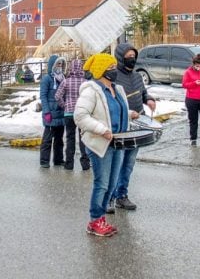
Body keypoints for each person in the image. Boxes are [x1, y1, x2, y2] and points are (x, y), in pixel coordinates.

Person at [74, 53, 129, 237]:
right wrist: (101, 129)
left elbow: (118, 110)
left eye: (114, 67)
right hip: (100, 143)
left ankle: (102, 218)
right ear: (101, 71)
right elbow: (80, 117)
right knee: (102, 183)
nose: (114, 70)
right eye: (110, 68)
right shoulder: (91, 91)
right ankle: (95, 220)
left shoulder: (117, 89)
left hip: (118, 143)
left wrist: (131, 115)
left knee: (112, 184)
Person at [108, 43, 154, 213]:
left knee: (128, 164)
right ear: (120, 57)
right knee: (117, 164)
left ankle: (122, 195)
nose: (131, 59)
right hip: (121, 126)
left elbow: (143, 93)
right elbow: (110, 103)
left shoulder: (136, 76)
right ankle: (110, 197)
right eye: (128, 56)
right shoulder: (113, 77)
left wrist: (149, 99)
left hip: (137, 126)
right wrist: (128, 113)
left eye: (133, 56)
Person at [55, 58, 90, 171]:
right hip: (82, 114)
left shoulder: (66, 81)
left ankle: (69, 164)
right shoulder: (85, 82)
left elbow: (57, 96)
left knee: (70, 138)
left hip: (69, 113)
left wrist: (65, 105)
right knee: (83, 138)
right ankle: (85, 164)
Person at [39, 55, 67, 168]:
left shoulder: (63, 78)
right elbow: (43, 96)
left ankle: (58, 159)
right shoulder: (47, 79)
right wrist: (46, 111)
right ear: (52, 65)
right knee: (47, 139)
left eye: (61, 64)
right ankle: (44, 161)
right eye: (57, 64)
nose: (59, 66)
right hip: (50, 113)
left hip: (61, 113)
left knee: (59, 139)